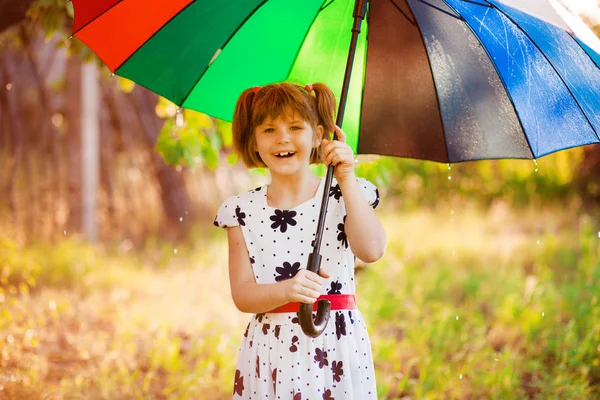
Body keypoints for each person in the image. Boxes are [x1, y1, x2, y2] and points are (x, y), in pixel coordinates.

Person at [213, 82, 387, 399]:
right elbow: (242, 295)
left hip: (335, 344)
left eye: (295, 127)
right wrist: (287, 289)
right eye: (269, 130)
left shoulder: (345, 193)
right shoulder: (241, 211)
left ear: (319, 135)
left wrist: (346, 177)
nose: (283, 138)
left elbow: (372, 250)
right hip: (272, 351)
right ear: (253, 141)